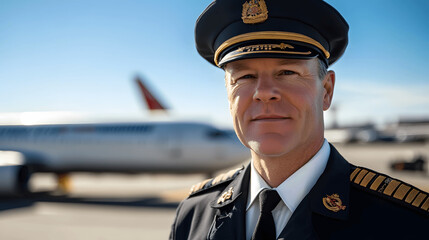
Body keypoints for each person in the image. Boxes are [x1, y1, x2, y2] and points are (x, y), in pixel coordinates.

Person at [169, 0, 429, 239]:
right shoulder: (193, 216)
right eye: (244, 77)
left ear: (326, 91)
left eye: (287, 72)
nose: (263, 93)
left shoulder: (406, 224)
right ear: (228, 95)